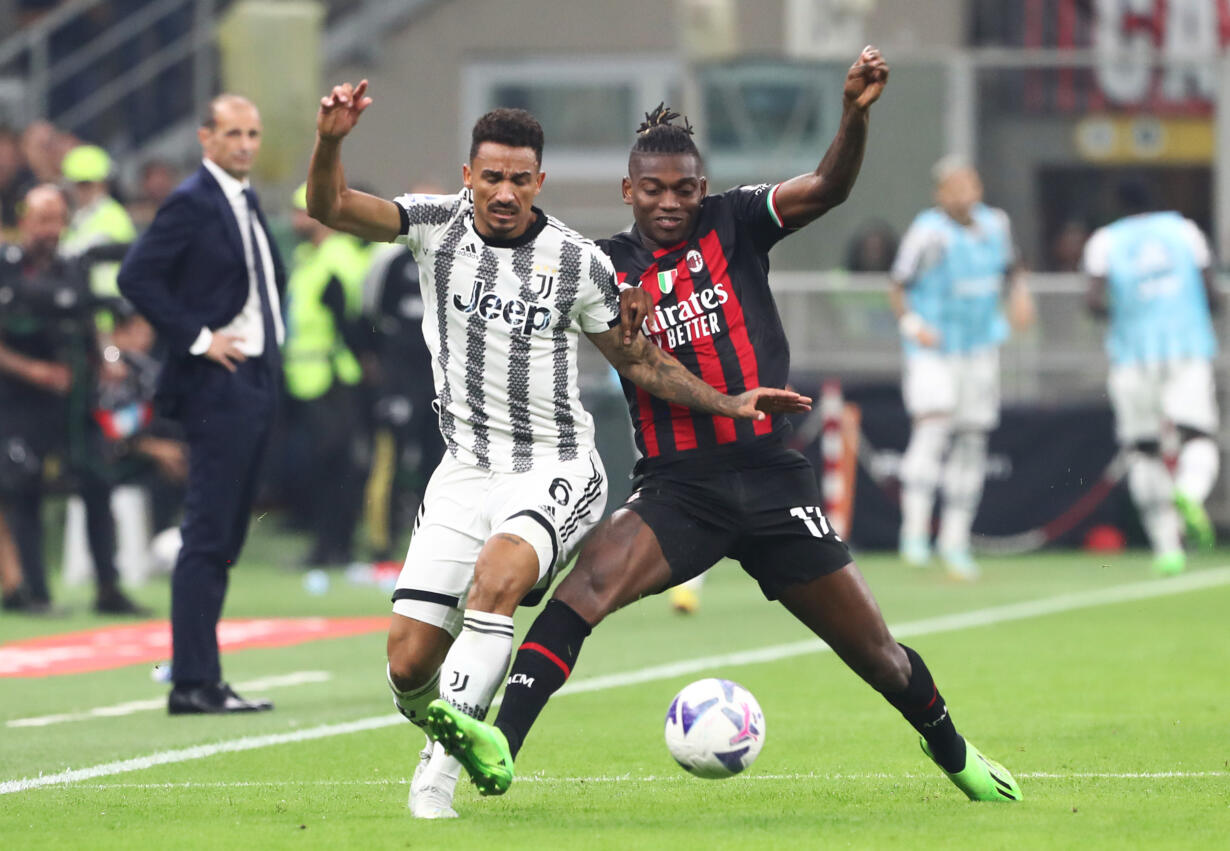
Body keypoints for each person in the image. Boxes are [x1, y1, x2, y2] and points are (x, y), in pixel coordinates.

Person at [426, 47, 1022, 806]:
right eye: (652, 189)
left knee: (878, 655)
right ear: (628, 191)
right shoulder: (601, 267)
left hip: (773, 482)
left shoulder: (737, 220)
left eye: (683, 189)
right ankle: (501, 748)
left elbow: (828, 187)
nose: (668, 203)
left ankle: (957, 755)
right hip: (679, 490)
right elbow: (526, 302)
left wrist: (852, 114)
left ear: (702, 189)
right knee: (582, 594)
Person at [306, 80, 808, 819]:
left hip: (555, 466)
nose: (504, 192)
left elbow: (640, 361)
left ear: (539, 181)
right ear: (469, 175)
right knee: (408, 664)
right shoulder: (433, 225)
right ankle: (441, 717)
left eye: (520, 178)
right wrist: (330, 140)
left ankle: (436, 781)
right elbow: (328, 207)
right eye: (491, 176)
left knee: (498, 576)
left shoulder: (578, 261)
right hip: (463, 471)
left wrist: (730, 401)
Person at [118, 94, 285, 715]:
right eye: (233, 133)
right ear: (205, 137)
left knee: (226, 533)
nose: (245, 144)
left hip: (255, 377)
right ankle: (192, 681)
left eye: (253, 133)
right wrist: (197, 337)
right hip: (219, 382)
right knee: (209, 532)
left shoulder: (242, 199)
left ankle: (203, 676)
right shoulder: (192, 200)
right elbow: (136, 276)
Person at [0, 184, 148, 615]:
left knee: (98, 481)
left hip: (75, 398)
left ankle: (108, 589)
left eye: (57, 220)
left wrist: (107, 357)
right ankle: (35, 592)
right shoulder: (7, 267)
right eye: (42, 219)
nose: (50, 230)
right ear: (24, 220)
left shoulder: (72, 267)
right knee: (25, 487)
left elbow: (87, 321)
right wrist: (33, 370)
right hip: (20, 398)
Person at [889, 156, 1034, 580]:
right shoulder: (927, 232)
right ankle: (914, 534)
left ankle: (955, 541)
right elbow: (897, 284)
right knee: (933, 429)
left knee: (972, 440)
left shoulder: (996, 224)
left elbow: (1011, 268)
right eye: (954, 186)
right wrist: (913, 325)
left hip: (980, 346)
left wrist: (1021, 296)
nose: (964, 193)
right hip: (934, 348)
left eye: (969, 184)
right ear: (940, 193)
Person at [1083, 181, 1222, 575]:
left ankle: (1166, 549)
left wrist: (1128, 311)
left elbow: (1093, 301)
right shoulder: (1185, 231)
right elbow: (1211, 293)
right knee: (1197, 436)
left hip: (1131, 356)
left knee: (1144, 449)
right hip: (1186, 348)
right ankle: (1189, 492)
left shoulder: (1105, 241)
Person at [284, 183, 372, 566]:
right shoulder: (310, 257)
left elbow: (352, 319)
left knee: (335, 466)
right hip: (308, 376)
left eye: (300, 213)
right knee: (323, 466)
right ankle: (327, 546)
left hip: (333, 377)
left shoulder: (338, 257)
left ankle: (334, 547)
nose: (294, 221)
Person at [359, 191, 447, 561]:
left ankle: (434, 546)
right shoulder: (389, 261)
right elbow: (370, 316)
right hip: (399, 379)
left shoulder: (454, 262)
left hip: (440, 382)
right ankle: (381, 547)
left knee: (440, 466)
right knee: (389, 460)